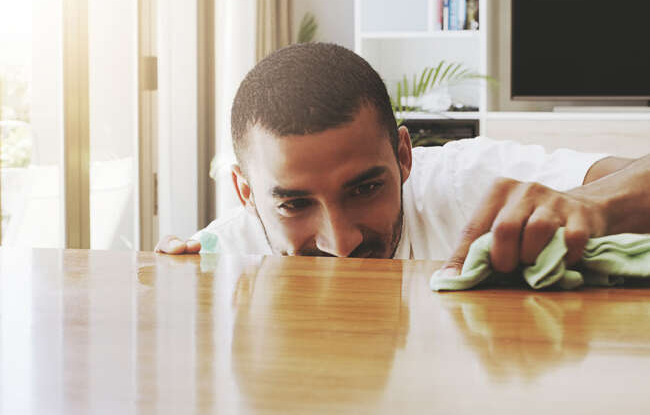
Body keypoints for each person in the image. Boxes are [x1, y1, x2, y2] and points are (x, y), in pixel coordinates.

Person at [156, 43, 650, 278]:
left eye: (365, 188)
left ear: (403, 156)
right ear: (246, 194)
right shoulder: (221, 265)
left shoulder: (465, 181)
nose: (342, 242)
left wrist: (595, 204)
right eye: (294, 205)